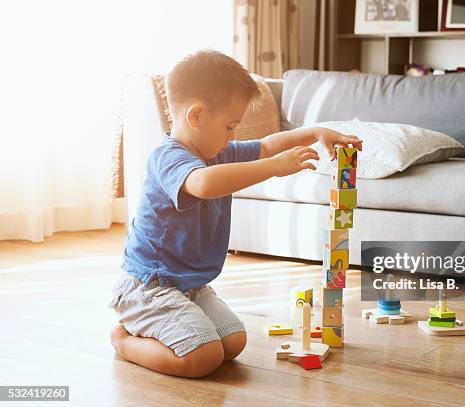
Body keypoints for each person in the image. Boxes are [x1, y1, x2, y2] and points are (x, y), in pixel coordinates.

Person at [108, 50, 362, 378]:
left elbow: (268, 146)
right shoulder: (168, 157)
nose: (232, 137)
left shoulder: (218, 151)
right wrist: (272, 168)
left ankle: (169, 328)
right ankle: (125, 340)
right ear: (196, 116)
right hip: (150, 285)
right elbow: (201, 183)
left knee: (233, 342)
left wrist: (315, 132)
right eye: (229, 127)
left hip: (189, 284)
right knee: (204, 357)